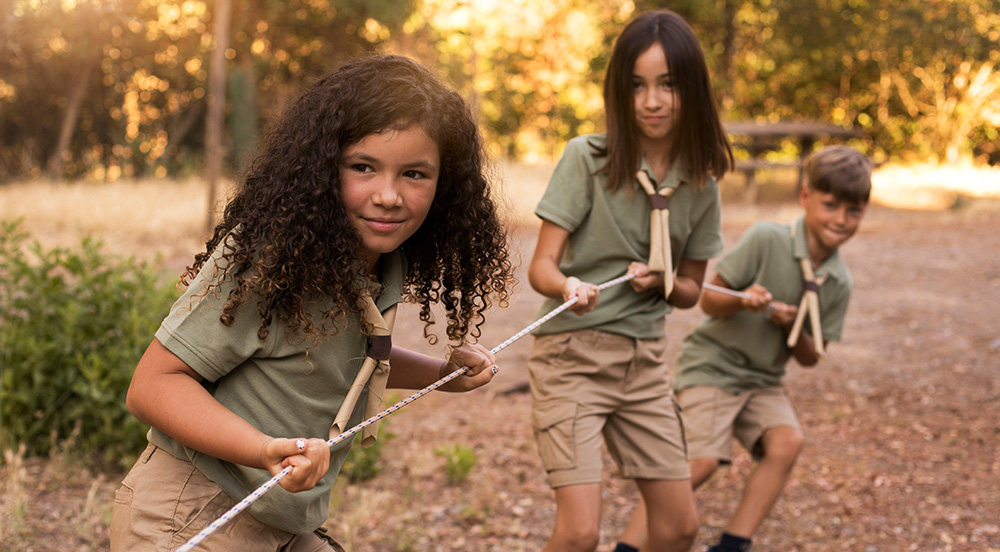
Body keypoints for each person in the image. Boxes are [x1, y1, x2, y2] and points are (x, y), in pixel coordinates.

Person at [109, 54, 513, 552]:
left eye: (414, 174)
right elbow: (151, 386)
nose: (389, 195)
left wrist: (442, 374)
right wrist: (262, 449)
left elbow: (346, 358)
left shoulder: (383, 264)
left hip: (282, 525)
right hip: (192, 513)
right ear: (322, 168)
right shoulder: (269, 259)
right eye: (363, 167)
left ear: (444, 185)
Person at [526, 9, 732, 552]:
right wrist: (568, 284)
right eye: (637, 85)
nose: (652, 101)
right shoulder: (586, 159)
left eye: (668, 84)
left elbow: (691, 290)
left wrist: (660, 282)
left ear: (691, 89)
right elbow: (540, 266)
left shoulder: (701, 182)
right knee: (579, 534)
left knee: (679, 528)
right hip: (572, 360)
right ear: (621, 91)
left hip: (644, 366)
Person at [616, 145, 872, 552]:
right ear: (805, 196)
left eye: (853, 211)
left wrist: (795, 325)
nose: (840, 219)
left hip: (762, 380)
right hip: (713, 366)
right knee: (700, 462)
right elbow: (708, 300)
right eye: (831, 205)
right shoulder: (766, 238)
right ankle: (627, 548)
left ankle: (733, 545)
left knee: (787, 441)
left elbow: (810, 357)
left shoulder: (837, 281)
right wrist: (742, 299)